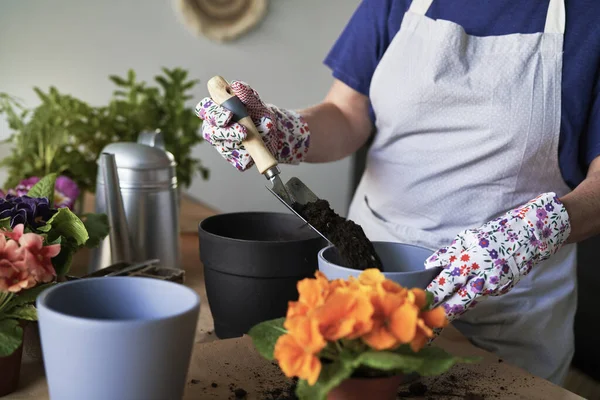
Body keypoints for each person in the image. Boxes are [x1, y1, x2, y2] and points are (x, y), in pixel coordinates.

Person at [195, 0, 600, 387]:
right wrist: (283, 131)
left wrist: (535, 232)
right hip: (366, 279)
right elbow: (347, 114)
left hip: (502, 303)